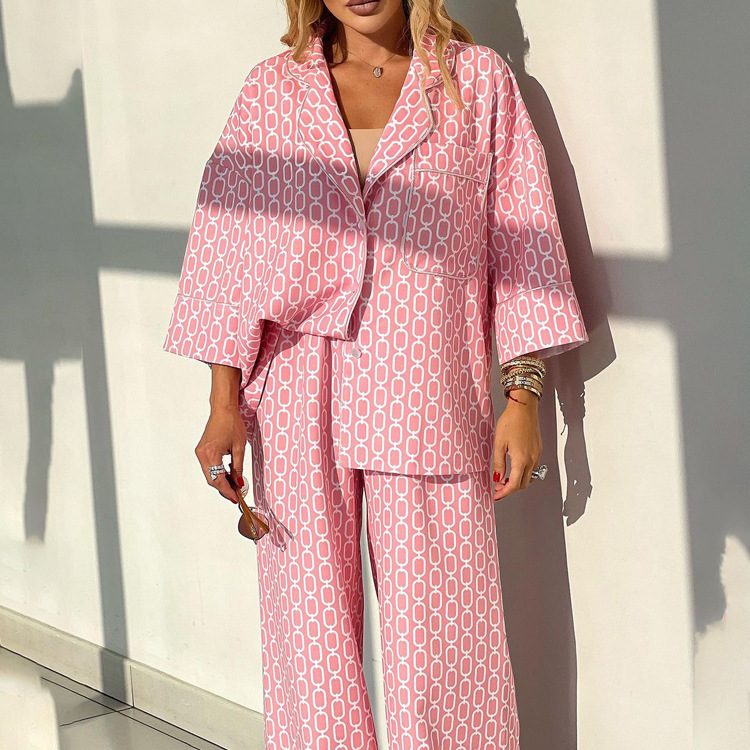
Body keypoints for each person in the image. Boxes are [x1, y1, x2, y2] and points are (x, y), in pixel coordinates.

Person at [163, 0, 589, 747]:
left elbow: (522, 240)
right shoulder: (271, 90)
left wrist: (523, 396)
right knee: (311, 633)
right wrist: (222, 402)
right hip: (297, 380)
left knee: (447, 634)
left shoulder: (476, 82)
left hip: (424, 376)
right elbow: (225, 251)